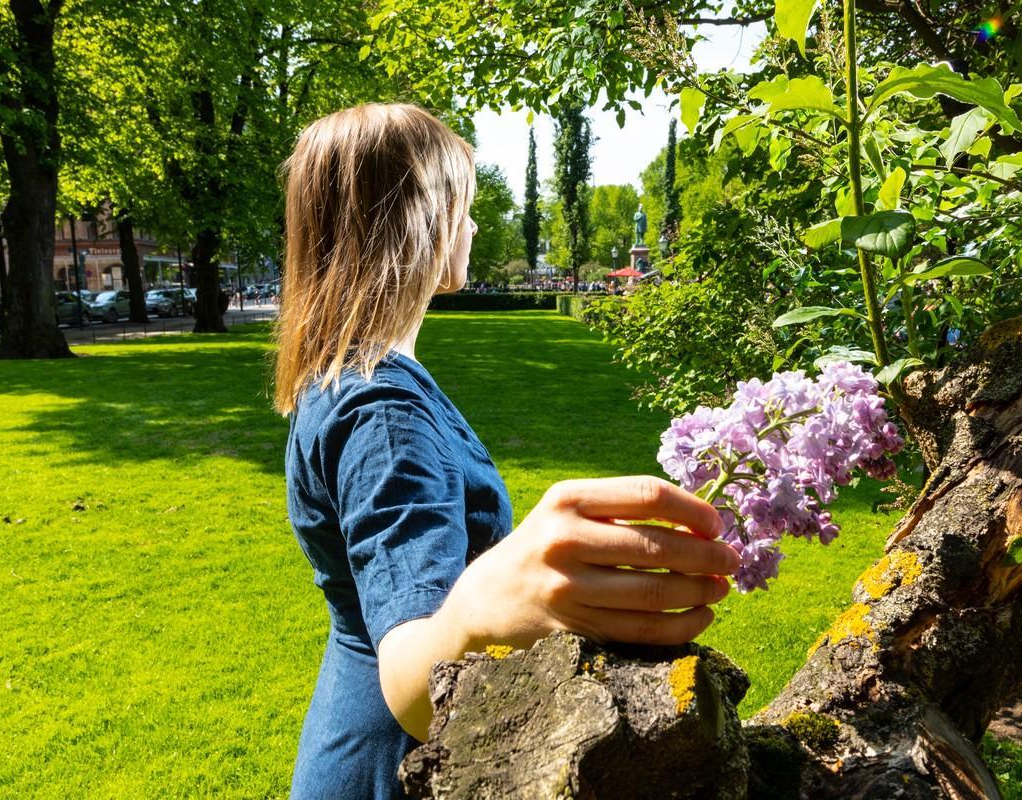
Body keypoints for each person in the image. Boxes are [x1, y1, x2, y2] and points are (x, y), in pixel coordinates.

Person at [272, 103, 739, 800]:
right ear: (422, 217)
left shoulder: (343, 374)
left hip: (353, 741)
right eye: (463, 206)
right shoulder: (383, 411)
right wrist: (484, 608)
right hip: (396, 763)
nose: (473, 225)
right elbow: (410, 678)